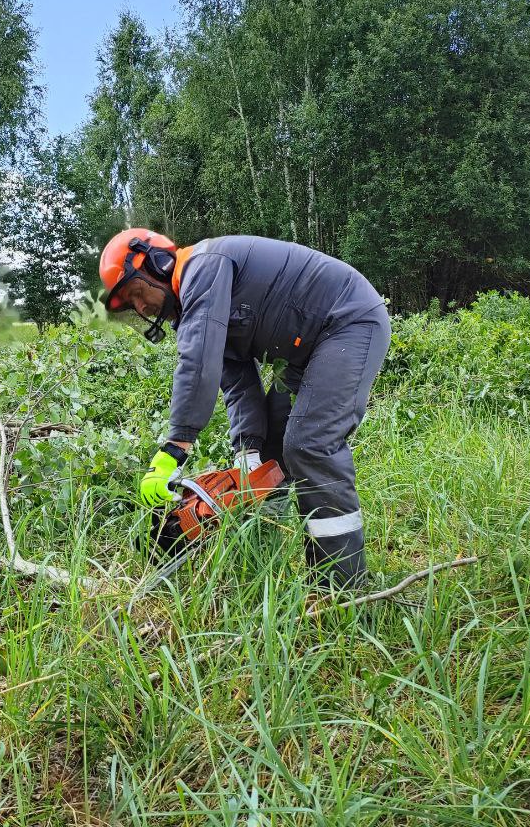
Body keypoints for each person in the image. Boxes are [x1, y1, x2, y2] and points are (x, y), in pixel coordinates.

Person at [100, 229, 391, 589]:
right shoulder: (196, 306)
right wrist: (248, 451)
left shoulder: (203, 267)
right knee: (270, 455)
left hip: (349, 321)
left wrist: (175, 448)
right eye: (133, 305)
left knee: (309, 444)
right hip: (307, 353)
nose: (142, 308)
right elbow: (238, 385)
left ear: (156, 263)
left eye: (138, 293)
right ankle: (263, 562)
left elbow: (198, 363)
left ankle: (344, 586)